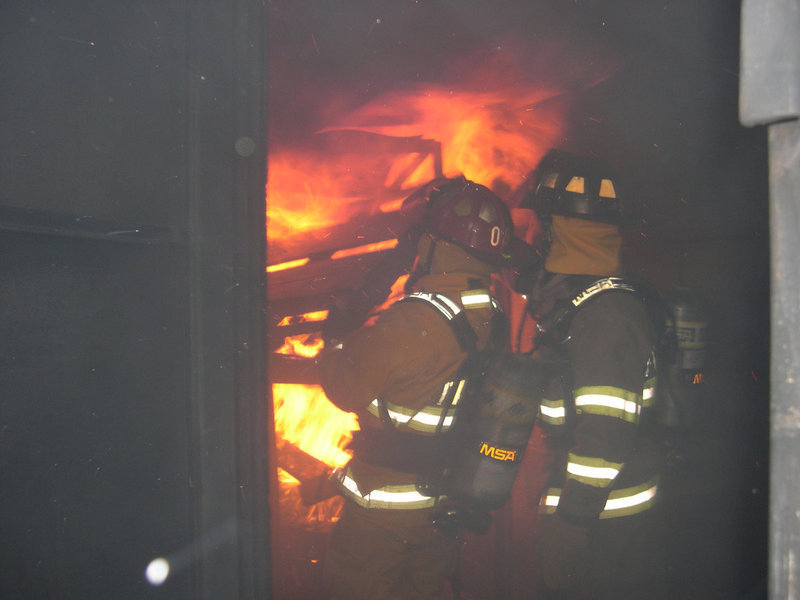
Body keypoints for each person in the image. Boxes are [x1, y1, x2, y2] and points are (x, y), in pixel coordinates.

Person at [317, 177, 532, 600]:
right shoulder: (489, 311)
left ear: (436, 245)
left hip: (383, 510)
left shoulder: (413, 322)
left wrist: (336, 338)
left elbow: (342, 387)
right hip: (443, 502)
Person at [518, 149, 668, 599]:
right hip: (596, 513)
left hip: (604, 526)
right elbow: (542, 282)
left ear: (555, 225)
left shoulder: (605, 317)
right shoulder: (586, 292)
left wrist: (572, 527)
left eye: (543, 223)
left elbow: (603, 442)